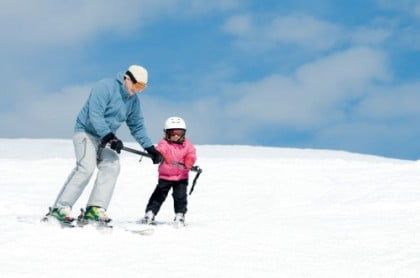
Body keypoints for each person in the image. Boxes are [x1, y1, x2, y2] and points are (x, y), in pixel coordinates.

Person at [46, 65, 163, 224]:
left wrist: (150, 148)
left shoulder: (133, 101)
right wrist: (110, 137)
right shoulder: (105, 87)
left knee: (112, 165)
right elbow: (95, 114)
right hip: (86, 132)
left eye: (141, 88)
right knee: (86, 167)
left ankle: (95, 209)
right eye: (136, 85)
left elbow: (137, 126)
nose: (137, 90)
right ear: (127, 78)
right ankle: (60, 208)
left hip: (105, 138)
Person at [141, 116, 197, 226]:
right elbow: (160, 150)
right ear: (167, 133)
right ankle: (150, 213)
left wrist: (189, 161)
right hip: (165, 176)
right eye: (172, 132)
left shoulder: (187, 145)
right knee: (159, 195)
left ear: (184, 133)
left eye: (179, 132)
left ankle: (180, 215)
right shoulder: (164, 143)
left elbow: (191, 153)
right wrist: (162, 155)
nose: (176, 135)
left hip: (181, 177)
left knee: (180, 197)